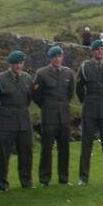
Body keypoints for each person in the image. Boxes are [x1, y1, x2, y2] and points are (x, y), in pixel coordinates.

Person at [76, 39, 103, 184]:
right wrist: (86, 101)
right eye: (97, 49)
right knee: (86, 144)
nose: (100, 51)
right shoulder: (85, 67)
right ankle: (83, 177)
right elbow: (79, 88)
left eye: (102, 49)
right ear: (93, 51)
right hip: (89, 109)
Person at [0, 51, 34, 191]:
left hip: (24, 121)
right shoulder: (0, 79)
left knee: (26, 152)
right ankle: (2, 183)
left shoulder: (27, 78)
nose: (19, 66)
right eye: (16, 63)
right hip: (7, 122)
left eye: (21, 63)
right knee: (4, 154)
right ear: (11, 64)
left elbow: (28, 99)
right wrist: (3, 113)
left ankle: (26, 181)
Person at [32, 45, 74, 186]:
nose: (57, 59)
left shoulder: (68, 73)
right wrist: (47, 106)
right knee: (46, 149)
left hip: (64, 117)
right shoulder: (42, 73)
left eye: (60, 56)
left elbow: (69, 94)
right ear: (50, 58)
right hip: (49, 117)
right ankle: (44, 179)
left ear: (62, 57)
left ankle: (64, 178)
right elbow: (36, 95)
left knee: (64, 149)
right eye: (55, 56)